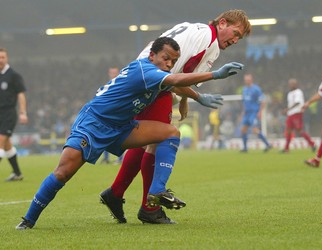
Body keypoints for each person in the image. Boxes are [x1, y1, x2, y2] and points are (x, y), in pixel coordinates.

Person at [15, 37, 244, 230]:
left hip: (122, 127)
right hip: (94, 124)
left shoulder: (155, 73)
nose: (169, 63)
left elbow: (173, 85)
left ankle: (156, 192)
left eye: (173, 61)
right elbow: (173, 79)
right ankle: (28, 219)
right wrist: (215, 75)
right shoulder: (145, 70)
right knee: (64, 172)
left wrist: (197, 97)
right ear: (152, 55)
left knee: (171, 133)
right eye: (166, 58)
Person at [99, 9, 251, 225]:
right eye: (235, 33)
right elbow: (173, 77)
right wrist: (198, 96)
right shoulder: (207, 39)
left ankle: (116, 193)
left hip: (146, 78)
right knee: (161, 137)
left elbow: (181, 75)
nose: (236, 40)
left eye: (239, 38)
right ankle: (149, 208)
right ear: (223, 23)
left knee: (148, 139)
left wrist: (185, 99)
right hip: (153, 81)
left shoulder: (201, 32)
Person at [0, 48, 28, 181]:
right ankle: (17, 173)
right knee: (7, 145)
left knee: (0, 141)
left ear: (7, 58)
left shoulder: (13, 75)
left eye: (2, 57)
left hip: (8, 113)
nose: (0, 60)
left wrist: (23, 112)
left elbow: (21, 94)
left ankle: (17, 173)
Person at [281, 78, 315, 153]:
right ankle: (286, 148)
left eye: (293, 83)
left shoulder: (298, 92)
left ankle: (312, 144)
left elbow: (297, 103)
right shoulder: (289, 93)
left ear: (296, 84)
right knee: (288, 131)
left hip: (297, 113)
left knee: (300, 131)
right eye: (290, 84)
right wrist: (288, 111)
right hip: (290, 114)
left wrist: (287, 109)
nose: (291, 85)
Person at [239, 73, 272, 152]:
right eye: (246, 80)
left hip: (253, 112)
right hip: (247, 113)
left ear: (251, 80)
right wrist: (242, 113)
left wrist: (260, 112)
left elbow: (263, 101)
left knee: (254, 130)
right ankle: (245, 148)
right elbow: (244, 102)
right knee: (243, 129)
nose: (247, 81)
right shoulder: (244, 89)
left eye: (248, 80)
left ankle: (268, 144)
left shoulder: (256, 89)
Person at [101, 67, 121, 164]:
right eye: (111, 72)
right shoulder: (108, 85)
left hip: (120, 114)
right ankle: (106, 159)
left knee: (120, 137)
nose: (113, 74)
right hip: (109, 115)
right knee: (105, 136)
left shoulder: (122, 84)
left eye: (115, 72)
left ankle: (120, 159)